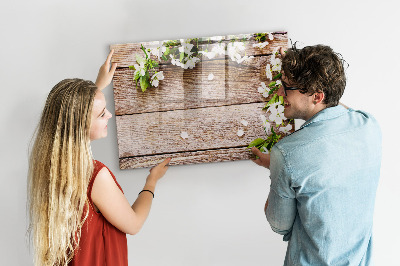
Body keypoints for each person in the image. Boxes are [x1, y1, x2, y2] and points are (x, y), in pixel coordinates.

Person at [27, 50, 171, 266]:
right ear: (81, 124)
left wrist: (97, 86)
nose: (109, 116)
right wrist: (152, 181)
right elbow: (134, 224)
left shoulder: (50, 165)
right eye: (102, 113)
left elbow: (73, 114)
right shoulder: (95, 176)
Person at [251, 44, 382, 265]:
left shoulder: (286, 153)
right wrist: (298, 72)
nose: (280, 92)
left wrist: (277, 169)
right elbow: (335, 107)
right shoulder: (369, 125)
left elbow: (279, 225)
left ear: (317, 96)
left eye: (287, 87)